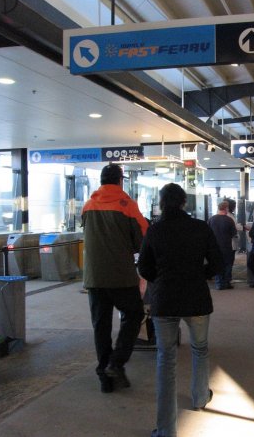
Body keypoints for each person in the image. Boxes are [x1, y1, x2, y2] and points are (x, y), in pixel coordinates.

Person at [137, 183, 223, 437]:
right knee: (200, 349)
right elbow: (218, 262)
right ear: (184, 202)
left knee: (166, 359)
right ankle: (199, 398)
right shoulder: (200, 228)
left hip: (164, 301)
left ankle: (166, 430)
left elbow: (144, 267)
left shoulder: (155, 231)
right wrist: (201, 275)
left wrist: (160, 279)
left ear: (162, 203)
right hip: (196, 298)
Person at [81, 163, 148, 393]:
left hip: (94, 278)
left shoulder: (88, 205)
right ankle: (116, 363)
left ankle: (105, 379)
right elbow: (143, 238)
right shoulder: (127, 205)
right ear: (120, 181)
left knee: (101, 325)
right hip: (121, 276)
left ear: (101, 181)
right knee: (134, 314)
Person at [208, 201, 237, 289]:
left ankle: (218, 283)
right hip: (227, 246)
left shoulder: (211, 219)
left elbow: (208, 233)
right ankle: (226, 282)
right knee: (227, 264)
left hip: (215, 246)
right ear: (226, 209)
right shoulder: (229, 220)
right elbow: (233, 234)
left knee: (217, 264)